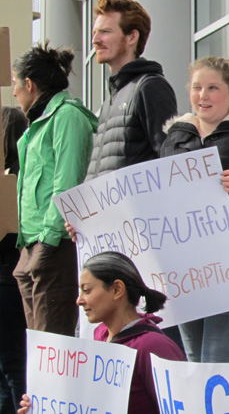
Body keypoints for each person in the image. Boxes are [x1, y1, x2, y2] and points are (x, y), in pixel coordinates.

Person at [158, 57, 229, 362]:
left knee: (216, 354)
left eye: (212, 88)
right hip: (185, 264)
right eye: (196, 87)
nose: (202, 95)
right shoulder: (174, 136)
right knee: (193, 356)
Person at [17, 252, 186, 414]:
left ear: (117, 290)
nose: (79, 300)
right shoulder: (100, 337)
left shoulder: (154, 346)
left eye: (87, 290)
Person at [11, 44, 97, 336]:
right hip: (33, 246)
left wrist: (47, 242)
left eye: (15, 84)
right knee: (39, 352)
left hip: (54, 244)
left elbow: (66, 182)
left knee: (53, 346)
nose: (14, 93)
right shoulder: (35, 127)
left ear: (29, 84)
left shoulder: (67, 116)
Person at [85, 0, 178, 180]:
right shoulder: (111, 98)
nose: (95, 40)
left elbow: (171, 161)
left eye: (105, 32)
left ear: (131, 37)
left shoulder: (150, 87)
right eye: (95, 33)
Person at [0, 107, 27, 414]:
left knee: (9, 371)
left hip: (7, 281)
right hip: (11, 281)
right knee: (13, 369)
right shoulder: (21, 180)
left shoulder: (14, 182)